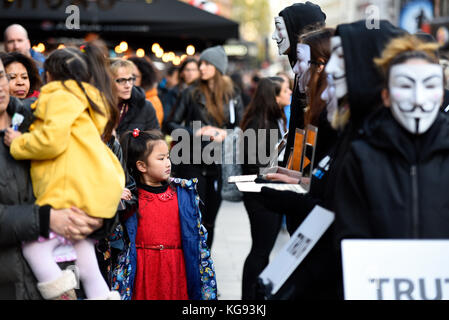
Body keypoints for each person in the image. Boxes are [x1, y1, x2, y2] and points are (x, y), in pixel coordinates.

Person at [260, 20, 405, 300]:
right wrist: (298, 184)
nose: (329, 74)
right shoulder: (353, 132)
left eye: (340, 60)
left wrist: (296, 194)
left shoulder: (379, 145)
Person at [4, 44, 125, 300]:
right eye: (9, 76)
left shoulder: (50, 103)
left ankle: (61, 294)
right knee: (85, 255)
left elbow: (52, 142)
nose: (11, 83)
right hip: (88, 197)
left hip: (69, 199)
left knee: (38, 250)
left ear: (46, 76)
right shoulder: (85, 101)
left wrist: (18, 143)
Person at [334, 34, 449, 251]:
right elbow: (350, 239)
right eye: (405, 86)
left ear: (441, 96)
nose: (418, 99)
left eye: (429, 86)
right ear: (386, 96)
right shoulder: (361, 157)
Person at [118, 129, 217, 300]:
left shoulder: (183, 193)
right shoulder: (131, 199)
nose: (168, 163)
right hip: (144, 270)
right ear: (141, 165)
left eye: (168, 157)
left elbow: (196, 236)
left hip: (176, 267)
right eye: (161, 158)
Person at [166, 45, 244, 249]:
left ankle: (205, 257)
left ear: (218, 67)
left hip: (219, 161)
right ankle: (194, 257)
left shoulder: (232, 93)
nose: (201, 68)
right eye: (201, 63)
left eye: (207, 64)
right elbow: (171, 123)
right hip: (191, 160)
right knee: (194, 216)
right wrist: (196, 132)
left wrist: (225, 133)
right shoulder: (191, 92)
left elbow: (241, 126)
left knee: (212, 216)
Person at [239, 77, 291, 300]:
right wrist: (281, 171)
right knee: (260, 250)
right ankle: (250, 298)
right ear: (274, 96)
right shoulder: (259, 124)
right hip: (260, 195)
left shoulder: (271, 120)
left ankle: (256, 296)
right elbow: (257, 166)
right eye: (286, 90)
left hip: (266, 193)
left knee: (263, 250)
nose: (290, 93)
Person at [110, 59, 160, 138]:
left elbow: (155, 139)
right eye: (121, 80)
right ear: (108, 81)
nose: (128, 85)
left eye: (130, 79)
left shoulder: (145, 106)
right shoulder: (96, 105)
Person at [128, 56, 164, 128]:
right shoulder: (125, 98)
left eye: (134, 77)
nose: (128, 81)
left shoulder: (152, 102)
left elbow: (153, 133)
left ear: (144, 78)